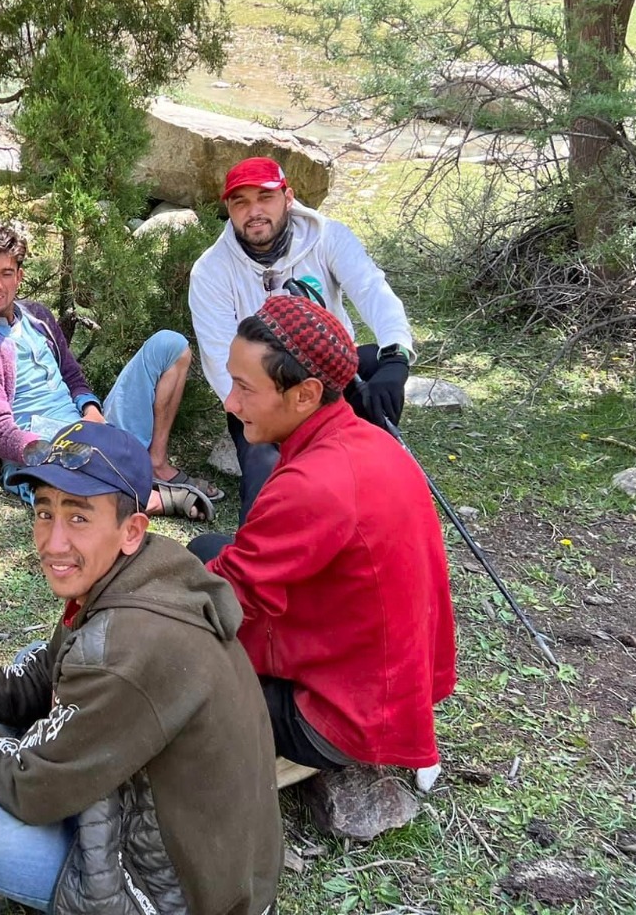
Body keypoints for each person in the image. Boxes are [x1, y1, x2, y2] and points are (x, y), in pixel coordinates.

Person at [0, 421, 281, 915]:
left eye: (78, 518)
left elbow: (31, 789)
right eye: (44, 511)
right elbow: (46, 673)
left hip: (176, 898)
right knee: (34, 663)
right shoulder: (144, 573)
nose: (52, 544)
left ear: (131, 530)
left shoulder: (126, 649)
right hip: (196, 851)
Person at [186, 295, 456, 774]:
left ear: (306, 394)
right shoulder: (370, 441)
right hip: (384, 677)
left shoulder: (313, 485)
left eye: (245, 388)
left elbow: (218, 602)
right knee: (206, 550)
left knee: (174, 665)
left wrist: (122, 608)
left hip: (341, 718)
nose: (230, 403)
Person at [189, 156, 417, 520]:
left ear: (288, 197)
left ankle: (376, 478)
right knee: (266, 487)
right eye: (241, 202)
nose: (254, 211)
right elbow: (219, 362)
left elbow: (373, 290)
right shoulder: (210, 271)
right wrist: (278, 414)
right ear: (229, 209)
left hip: (332, 380)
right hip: (263, 399)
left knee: (377, 365)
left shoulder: (329, 237)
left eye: (265, 197)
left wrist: (397, 356)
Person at [0, 224, 222, 519]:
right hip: (40, 451)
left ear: (19, 277)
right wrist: (48, 450)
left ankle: (153, 463)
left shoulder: (37, 316)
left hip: (88, 428)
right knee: (70, 494)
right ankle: (155, 499)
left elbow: (72, 375)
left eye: (6, 273)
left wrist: (90, 410)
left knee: (171, 344)